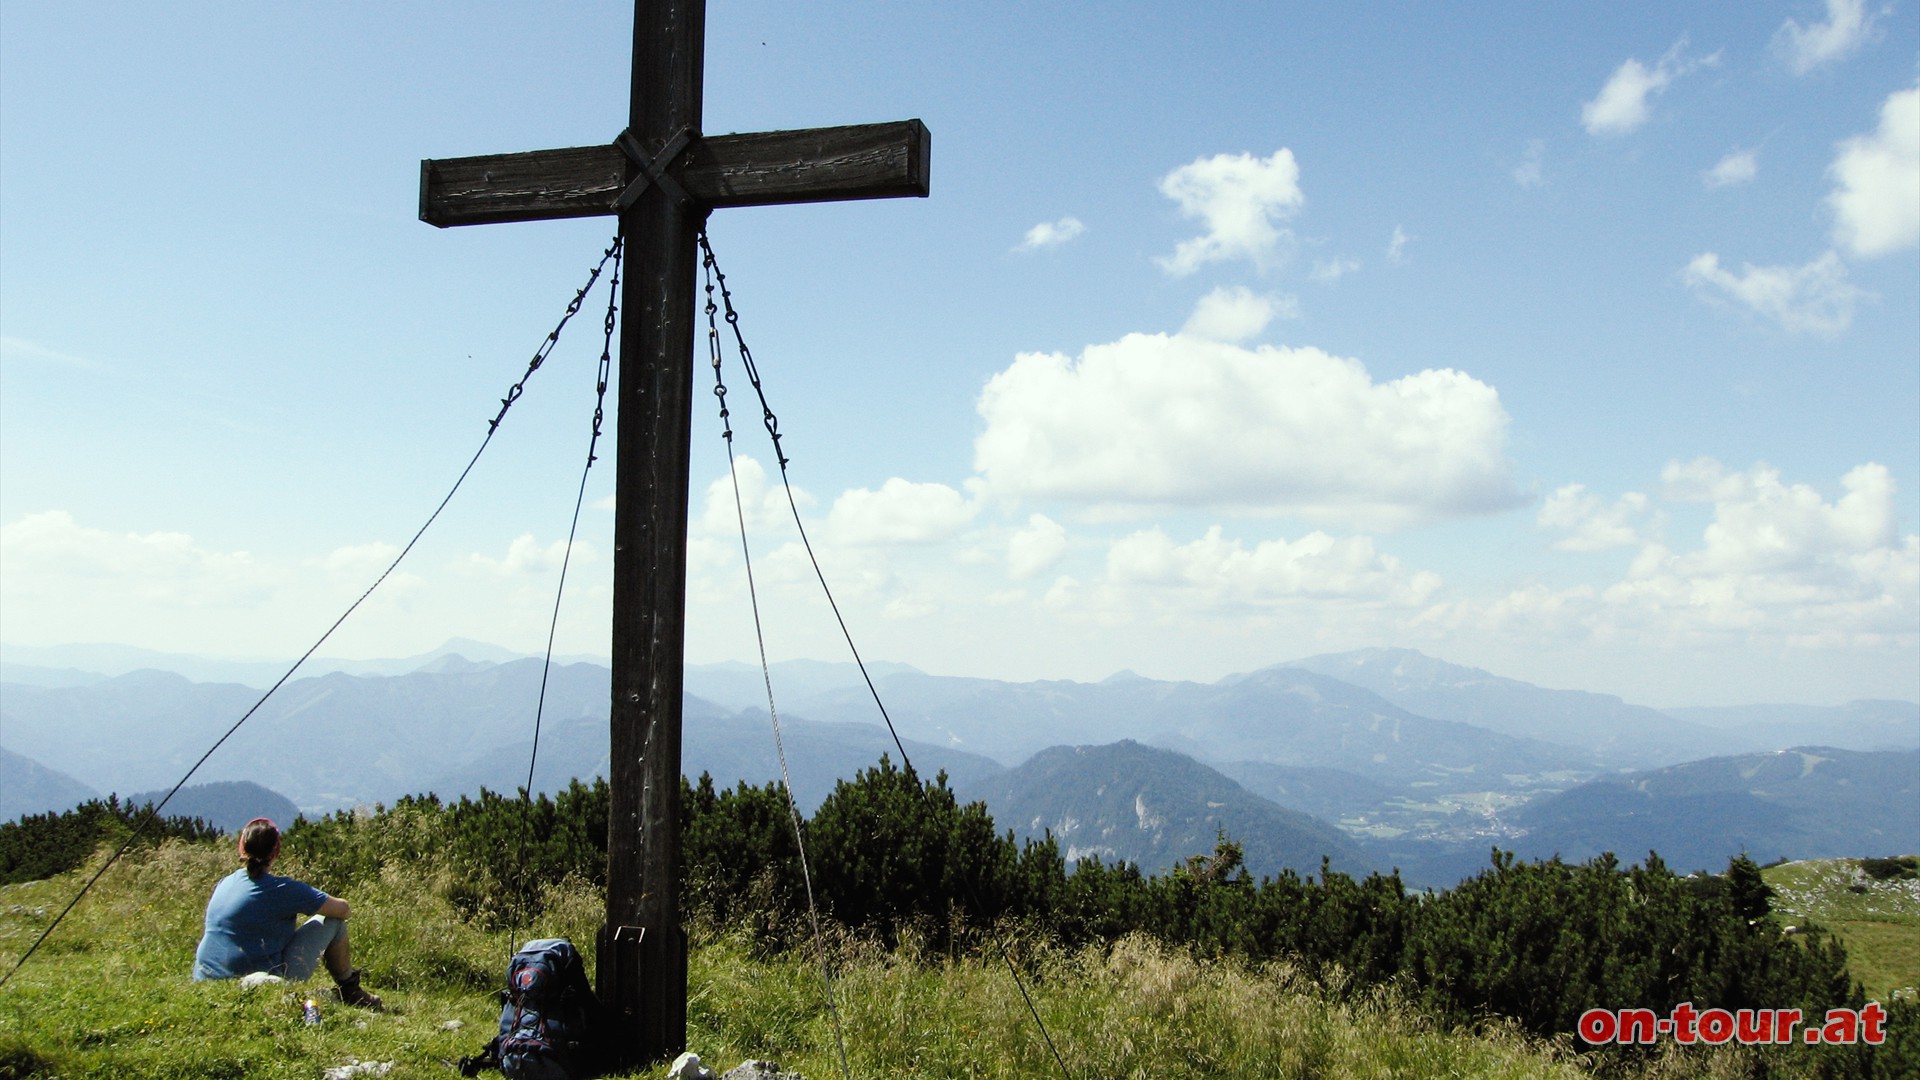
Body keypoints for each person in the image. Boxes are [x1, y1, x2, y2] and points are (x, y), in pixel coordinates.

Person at [192, 817, 383, 1009]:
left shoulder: (226, 882)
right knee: (334, 921)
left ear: (241, 846)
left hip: (205, 979)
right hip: (256, 983)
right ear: (276, 852)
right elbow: (343, 910)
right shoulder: (283, 889)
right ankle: (350, 990)